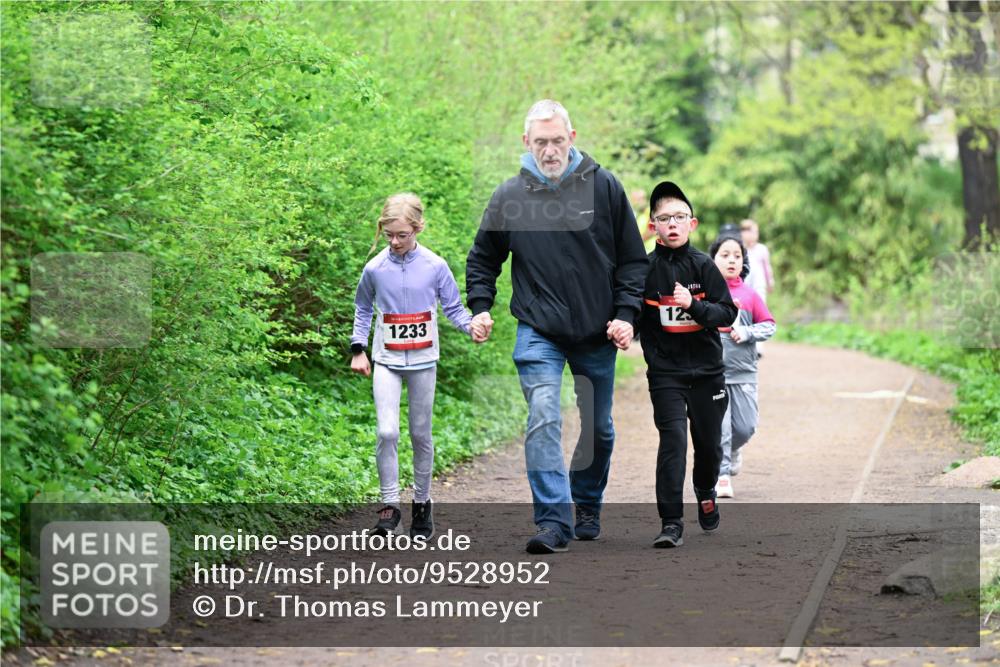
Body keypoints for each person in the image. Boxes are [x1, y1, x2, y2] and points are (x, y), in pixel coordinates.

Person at [465, 100, 648, 554]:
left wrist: (626, 316)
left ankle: (585, 501)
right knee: (544, 416)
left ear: (573, 138)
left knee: (598, 429)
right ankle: (552, 520)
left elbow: (632, 261)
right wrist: (481, 305)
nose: (550, 150)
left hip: (596, 332)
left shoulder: (604, 188)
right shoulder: (510, 196)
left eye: (558, 141)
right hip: (538, 329)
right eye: (541, 142)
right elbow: (483, 258)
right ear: (526, 143)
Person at [351, 193, 480, 539]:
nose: (394, 241)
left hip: (423, 360)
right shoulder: (375, 268)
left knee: (420, 433)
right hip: (387, 360)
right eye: (389, 234)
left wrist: (472, 326)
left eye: (402, 235)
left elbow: (453, 309)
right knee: (386, 431)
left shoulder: (435, 266)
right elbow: (363, 308)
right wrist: (357, 349)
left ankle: (422, 505)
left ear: (418, 228)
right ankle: (389, 509)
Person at [638, 181, 738, 548]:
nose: (673, 224)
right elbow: (635, 319)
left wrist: (693, 305)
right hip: (665, 372)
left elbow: (727, 312)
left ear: (692, 223)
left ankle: (706, 488)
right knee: (673, 441)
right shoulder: (644, 270)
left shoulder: (704, 266)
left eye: (680, 217)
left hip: (707, 372)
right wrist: (621, 327)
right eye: (665, 218)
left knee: (708, 445)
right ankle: (671, 523)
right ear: (654, 226)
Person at [709, 235, 776, 499]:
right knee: (721, 428)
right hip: (713, 374)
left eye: (737, 256)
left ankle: (734, 451)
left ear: (743, 261)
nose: (731, 260)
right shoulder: (704, 295)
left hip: (744, 373)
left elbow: (769, 325)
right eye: (725, 255)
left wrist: (747, 332)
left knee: (745, 427)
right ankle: (722, 475)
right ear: (713, 259)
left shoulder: (749, 296)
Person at [740, 219, 775, 304]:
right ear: (744, 233)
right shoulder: (740, 249)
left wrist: (770, 282)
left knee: (760, 304)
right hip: (745, 283)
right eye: (752, 232)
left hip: (759, 284)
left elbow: (767, 267)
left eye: (757, 232)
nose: (755, 235)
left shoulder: (761, 249)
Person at [631, 187, 657, 253]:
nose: (635, 203)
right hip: (643, 250)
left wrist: (636, 243)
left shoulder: (650, 211)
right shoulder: (640, 214)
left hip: (651, 250)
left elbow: (652, 230)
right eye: (634, 200)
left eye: (637, 200)